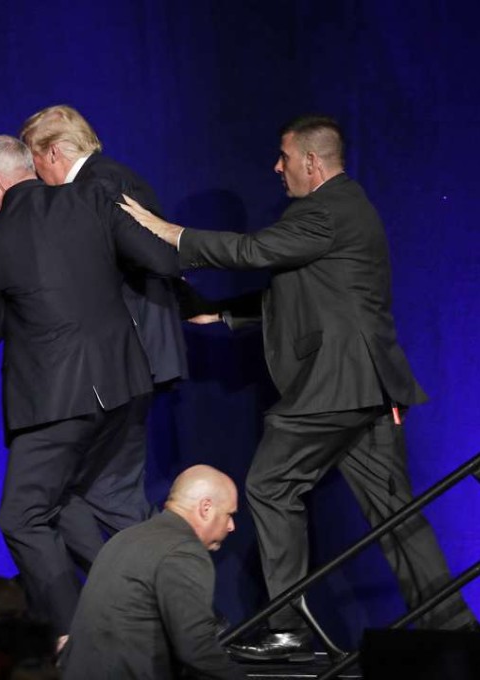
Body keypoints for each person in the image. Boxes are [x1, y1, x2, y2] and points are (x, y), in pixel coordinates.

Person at [119, 115, 476, 661]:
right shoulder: (339, 213)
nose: (277, 167)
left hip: (337, 385)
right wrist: (221, 315)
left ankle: (287, 626)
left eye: (284, 157)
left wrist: (172, 234)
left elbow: (252, 252)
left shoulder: (328, 210)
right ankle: (453, 631)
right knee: (395, 511)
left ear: (312, 161)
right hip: (365, 387)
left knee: (270, 483)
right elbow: (302, 300)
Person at [0, 135, 178, 633]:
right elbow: (164, 260)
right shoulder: (94, 198)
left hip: (54, 402)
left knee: (21, 518)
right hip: (125, 385)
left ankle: (75, 638)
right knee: (66, 501)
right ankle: (138, 611)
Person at [20, 104, 187, 386]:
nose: (35, 175)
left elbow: (152, 254)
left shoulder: (97, 183)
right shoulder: (105, 175)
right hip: (134, 338)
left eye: (34, 161)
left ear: (52, 152)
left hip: (135, 337)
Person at [61, 465, 247, 679]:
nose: (231, 526)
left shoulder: (124, 538)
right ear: (205, 508)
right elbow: (197, 649)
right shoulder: (184, 551)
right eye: (229, 514)